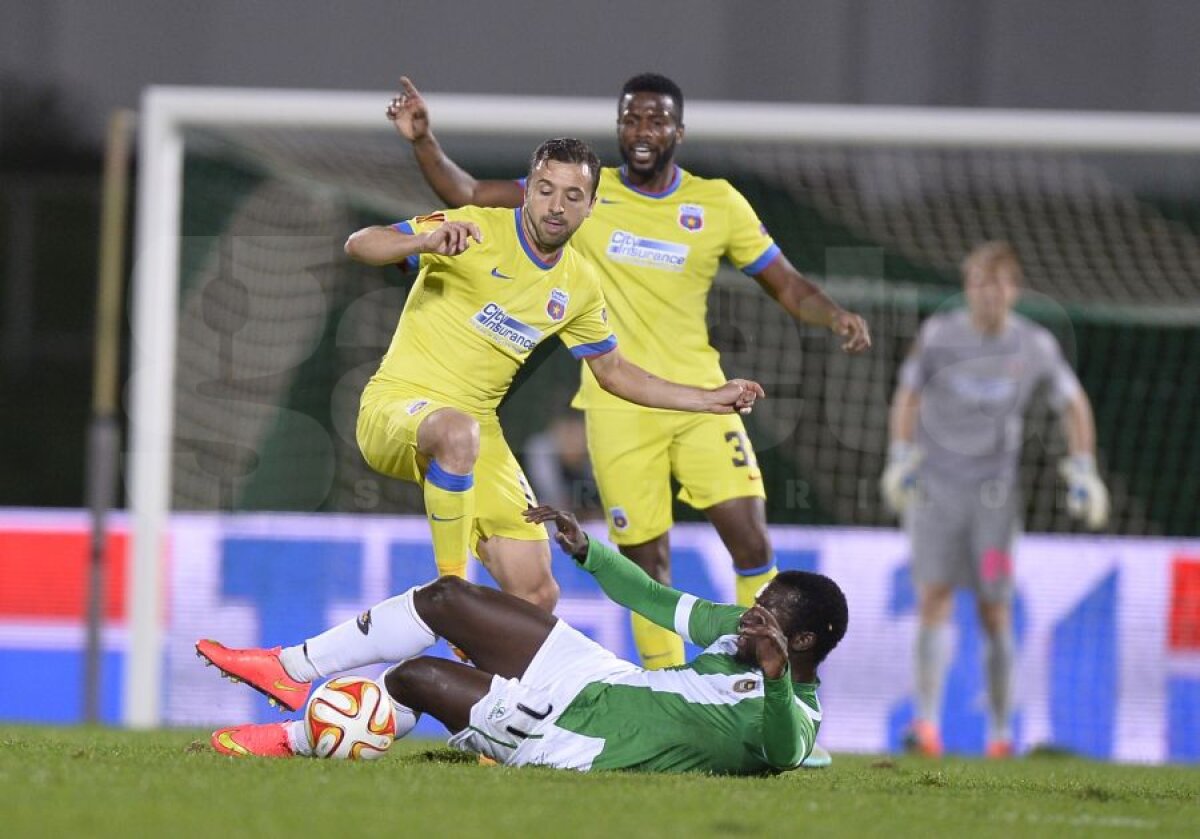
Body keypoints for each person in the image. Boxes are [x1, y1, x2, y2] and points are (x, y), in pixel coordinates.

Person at [387, 74, 871, 678]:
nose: (642, 132)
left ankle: (765, 680)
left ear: (678, 131)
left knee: (750, 539)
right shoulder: (581, 193)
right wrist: (424, 140)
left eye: (655, 121)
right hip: (617, 403)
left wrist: (835, 316)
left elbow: (787, 282)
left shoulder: (717, 202)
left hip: (699, 395)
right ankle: (667, 686)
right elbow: (467, 192)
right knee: (646, 564)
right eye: (631, 119)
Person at [344, 137, 763, 614]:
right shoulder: (475, 227)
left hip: (476, 433)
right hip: (393, 407)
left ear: (592, 207)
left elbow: (615, 373)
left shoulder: (579, 284)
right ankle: (451, 592)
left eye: (573, 195)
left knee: (537, 594)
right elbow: (360, 244)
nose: (556, 206)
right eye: (545, 189)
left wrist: (709, 399)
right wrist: (420, 240)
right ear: (527, 191)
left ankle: (496, 686)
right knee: (457, 431)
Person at [198, 506, 848, 775]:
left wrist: (776, 675)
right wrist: (587, 548)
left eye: (770, 614)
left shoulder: (796, 715)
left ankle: (294, 740)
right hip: (599, 677)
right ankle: (290, 667)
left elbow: (789, 752)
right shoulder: (738, 631)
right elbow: (650, 598)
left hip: (573, 737)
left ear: (806, 638)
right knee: (448, 598)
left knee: (415, 678)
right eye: (757, 605)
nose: (752, 616)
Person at [880, 241, 1109, 759]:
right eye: (980, 283)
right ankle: (927, 726)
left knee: (995, 607)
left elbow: (1073, 403)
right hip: (937, 492)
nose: (989, 294)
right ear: (968, 289)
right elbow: (908, 393)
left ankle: (1002, 735)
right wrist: (900, 455)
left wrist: (1083, 469)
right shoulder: (940, 336)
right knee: (932, 596)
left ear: (1014, 290)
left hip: (994, 500)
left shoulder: (1034, 346)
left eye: (998, 283)